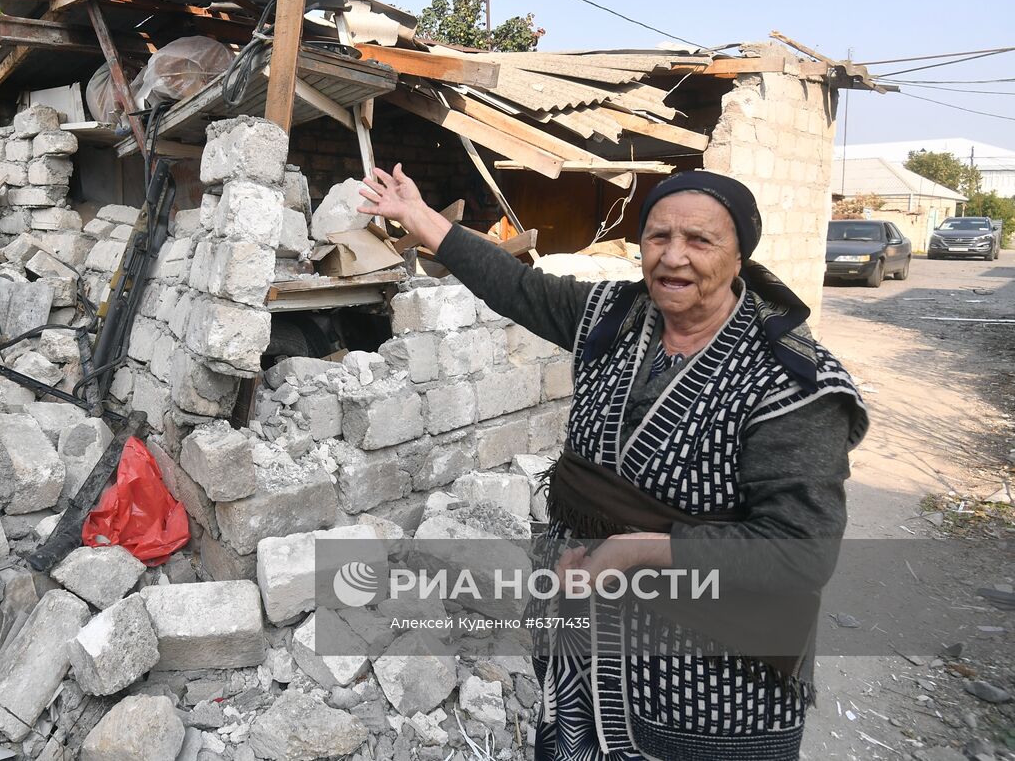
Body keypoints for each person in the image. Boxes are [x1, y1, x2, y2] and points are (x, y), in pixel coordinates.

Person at [358, 165, 868, 761]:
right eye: (657, 237)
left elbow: (801, 552)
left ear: (739, 256)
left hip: (714, 668)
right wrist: (420, 219)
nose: (673, 257)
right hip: (587, 634)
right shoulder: (616, 314)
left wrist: (641, 550)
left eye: (700, 241)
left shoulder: (789, 380)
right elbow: (518, 287)